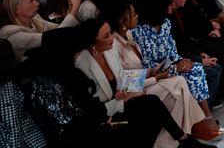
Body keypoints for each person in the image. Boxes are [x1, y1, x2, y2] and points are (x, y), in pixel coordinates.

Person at [73, 18, 211, 148]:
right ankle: (186, 137)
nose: (112, 38)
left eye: (110, 33)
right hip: (109, 115)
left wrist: (152, 75)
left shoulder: (109, 51)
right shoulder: (83, 65)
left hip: (127, 99)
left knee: (164, 95)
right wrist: (129, 96)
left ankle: (182, 139)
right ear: (92, 43)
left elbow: (125, 80)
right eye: (106, 36)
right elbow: (96, 109)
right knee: (156, 101)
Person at [0, 0, 82, 61]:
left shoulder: (35, 18)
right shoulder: (11, 33)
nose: (37, 3)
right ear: (16, 8)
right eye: (31, 1)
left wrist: (71, 6)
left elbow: (58, 29)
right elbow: (55, 37)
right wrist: (74, 8)